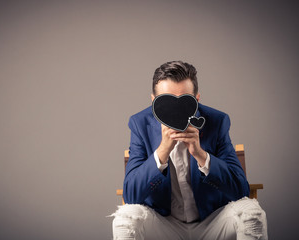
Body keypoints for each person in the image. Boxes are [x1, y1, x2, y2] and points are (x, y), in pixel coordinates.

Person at [112, 61, 267, 240]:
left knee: (252, 212)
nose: (176, 110)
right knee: (125, 218)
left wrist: (201, 155)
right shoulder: (140, 124)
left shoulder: (217, 121)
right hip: (164, 225)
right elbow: (131, 195)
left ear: (197, 99)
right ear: (154, 101)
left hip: (212, 222)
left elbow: (240, 190)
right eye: (167, 101)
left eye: (184, 101)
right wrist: (163, 150)